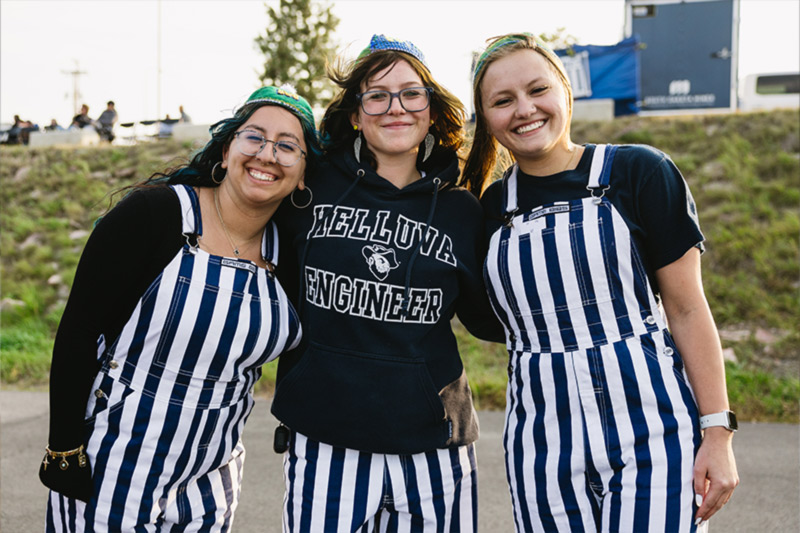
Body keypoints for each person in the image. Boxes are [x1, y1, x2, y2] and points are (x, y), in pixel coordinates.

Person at [464, 33, 739, 532]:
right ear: (486, 119)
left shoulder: (639, 171)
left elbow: (686, 309)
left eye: (537, 90)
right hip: (541, 445)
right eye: (502, 101)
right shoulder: (485, 212)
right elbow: (490, 321)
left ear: (565, 92)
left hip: (653, 435)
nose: (524, 109)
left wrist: (717, 432)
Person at [40, 85, 320, 532]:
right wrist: (64, 449)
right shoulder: (155, 215)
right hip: (114, 463)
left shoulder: (292, 256)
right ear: (227, 150)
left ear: (303, 174)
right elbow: (77, 330)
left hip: (213, 477)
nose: (268, 154)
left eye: (288, 146)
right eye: (254, 137)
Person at [271, 35, 503, 532]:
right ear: (356, 113)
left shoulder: (462, 209)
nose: (395, 107)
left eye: (410, 93)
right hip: (326, 441)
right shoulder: (311, 187)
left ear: (430, 108)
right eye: (377, 95)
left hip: (433, 447)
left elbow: (488, 319)